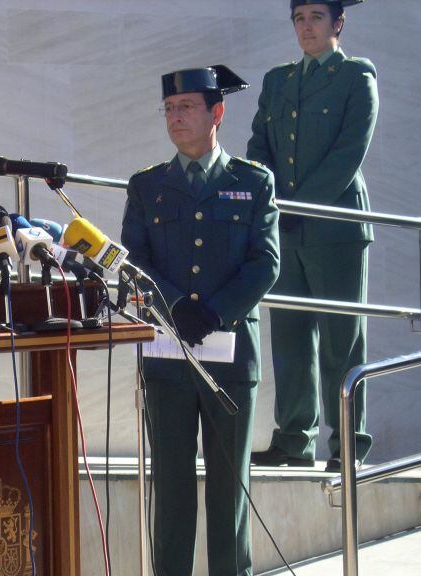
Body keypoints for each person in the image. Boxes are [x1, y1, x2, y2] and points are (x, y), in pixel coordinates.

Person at [121, 66, 280, 576]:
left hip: (230, 356)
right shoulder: (148, 186)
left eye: (186, 106)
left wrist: (214, 311)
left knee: (229, 489)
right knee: (170, 487)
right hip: (168, 358)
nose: (175, 117)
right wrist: (174, 307)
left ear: (217, 113)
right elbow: (133, 261)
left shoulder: (252, 181)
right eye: (169, 108)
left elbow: (265, 261)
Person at [247, 0, 378, 473]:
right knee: (290, 337)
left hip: (335, 227)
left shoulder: (356, 76)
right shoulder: (278, 80)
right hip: (285, 226)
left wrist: (299, 206)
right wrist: (267, 199)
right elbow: (260, 145)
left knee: (342, 341)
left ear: (338, 23)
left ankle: (348, 447)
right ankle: (292, 441)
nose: (307, 27)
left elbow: (349, 153)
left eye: (317, 18)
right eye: (300, 18)